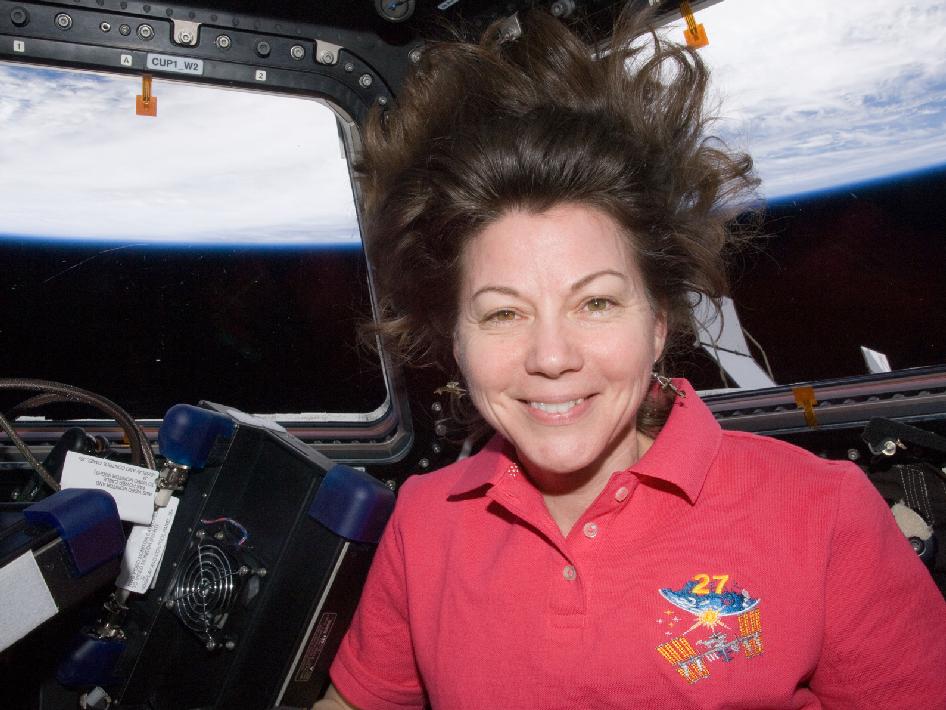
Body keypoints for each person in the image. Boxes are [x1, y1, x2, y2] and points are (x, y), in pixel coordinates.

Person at [316, 8, 946, 709]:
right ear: (455, 342)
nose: (551, 357)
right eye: (502, 313)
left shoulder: (824, 513)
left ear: (658, 324)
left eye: (597, 304)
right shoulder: (423, 520)